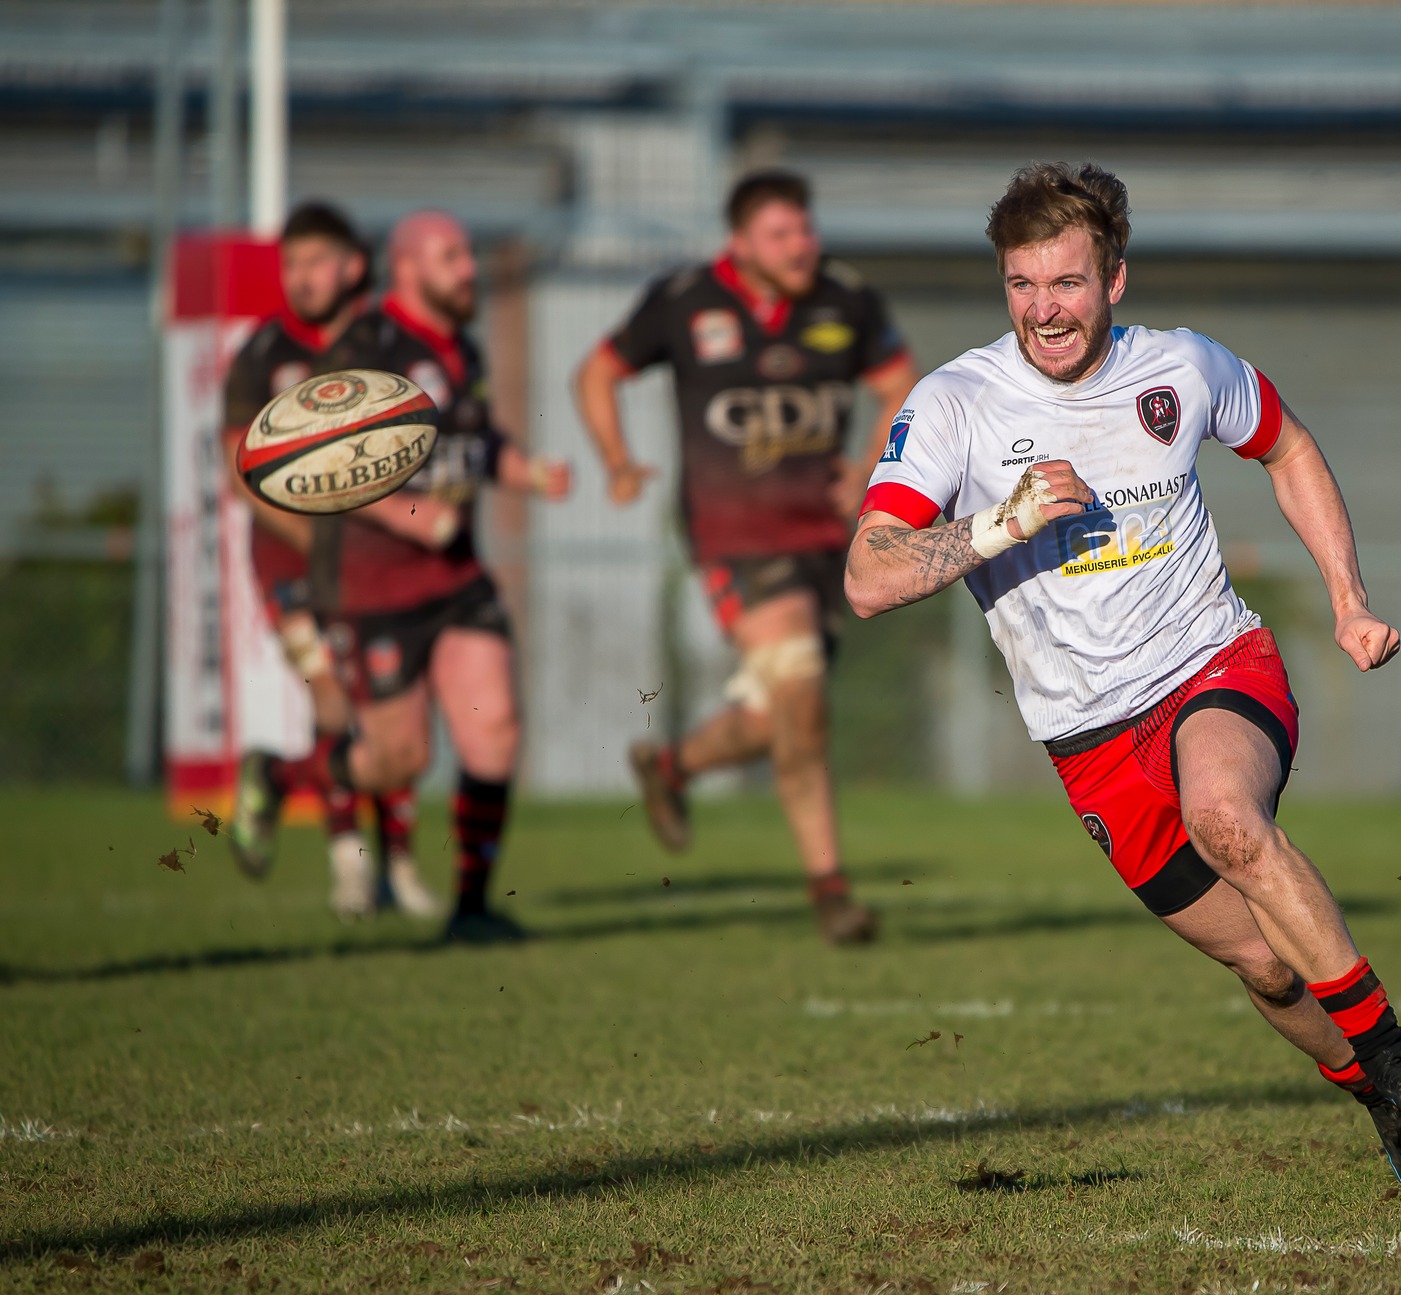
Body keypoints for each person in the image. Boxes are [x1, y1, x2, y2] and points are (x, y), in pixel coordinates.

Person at [843, 162, 1401, 1211]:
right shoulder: (956, 403)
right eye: (1022, 284)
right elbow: (868, 575)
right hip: (1086, 738)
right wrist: (1004, 521)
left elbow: (1289, 446)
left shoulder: (1179, 368)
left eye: (1067, 282)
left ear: (1114, 280)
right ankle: (1384, 1103)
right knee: (1267, 970)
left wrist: (1346, 598)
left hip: (1211, 666)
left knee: (1224, 816)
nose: (1045, 308)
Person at [574, 169, 917, 946]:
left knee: (776, 713)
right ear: (740, 244)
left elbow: (901, 381)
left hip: (826, 541)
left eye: (806, 229)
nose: (802, 246)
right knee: (798, 692)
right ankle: (832, 891)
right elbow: (596, 372)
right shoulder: (685, 301)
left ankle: (671, 767)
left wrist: (870, 464)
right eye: (781, 235)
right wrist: (618, 461)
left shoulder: (847, 301)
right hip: (731, 536)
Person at [318, 210, 571, 942]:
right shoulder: (365, 348)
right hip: (377, 586)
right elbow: (320, 464)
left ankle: (471, 906)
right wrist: (409, 514)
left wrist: (532, 473)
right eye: (452, 256)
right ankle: (287, 776)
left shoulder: (462, 345)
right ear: (407, 266)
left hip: (457, 578)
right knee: (401, 756)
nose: (468, 268)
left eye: (466, 254)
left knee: (495, 733)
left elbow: (477, 441)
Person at [221, 201, 434, 921]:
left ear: (352, 264)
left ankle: (384, 854)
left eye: (315, 261)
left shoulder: (391, 344)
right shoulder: (263, 351)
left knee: (398, 710)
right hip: (289, 559)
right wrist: (320, 541)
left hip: (382, 560)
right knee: (334, 698)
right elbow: (238, 465)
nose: (300, 277)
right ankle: (353, 867)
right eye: (291, 264)